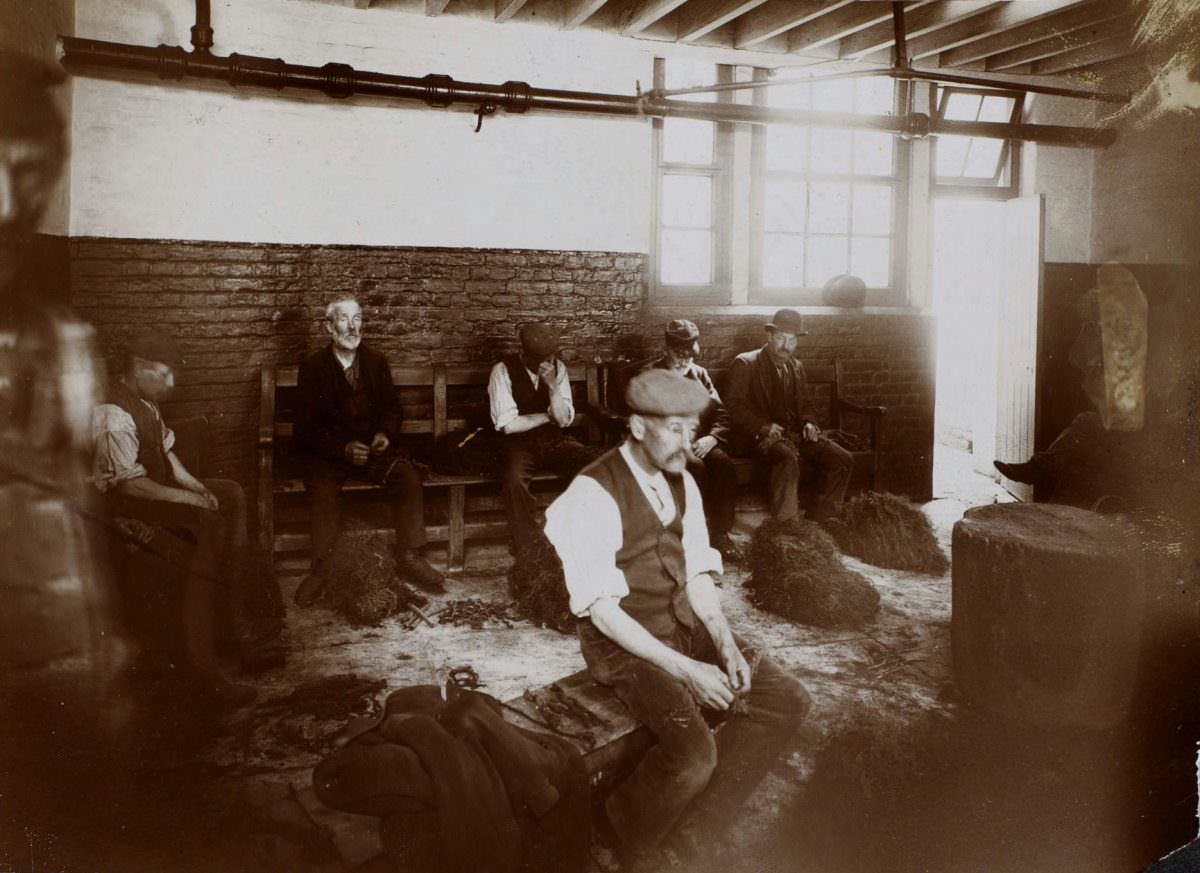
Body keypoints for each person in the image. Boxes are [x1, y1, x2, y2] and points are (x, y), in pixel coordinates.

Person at [544, 369, 811, 868]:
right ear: (638, 427)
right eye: (674, 429)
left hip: (679, 624)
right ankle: (621, 832)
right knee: (693, 754)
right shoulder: (592, 494)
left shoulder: (683, 480)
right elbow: (601, 610)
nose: (685, 442)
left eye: (691, 429)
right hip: (621, 644)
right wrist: (689, 670)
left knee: (783, 697)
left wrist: (725, 642)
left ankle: (694, 828)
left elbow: (697, 573)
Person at [90, 329, 256, 706]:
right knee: (201, 542)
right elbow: (128, 488)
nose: (172, 383)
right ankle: (205, 671)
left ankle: (232, 618)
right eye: (165, 374)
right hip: (125, 515)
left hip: (155, 494)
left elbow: (168, 457)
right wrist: (187, 500)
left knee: (230, 493)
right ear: (141, 369)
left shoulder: (147, 401)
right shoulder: (112, 413)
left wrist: (198, 488)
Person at [292, 296, 445, 605]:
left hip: (373, 453)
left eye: (357, 318)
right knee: (322, 490)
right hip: (331, 455)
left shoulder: (376, 361)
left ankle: (410, 555)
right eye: (344, 319)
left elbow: (392, 409)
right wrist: (342, 448)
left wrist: (384, 434)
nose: (352, 327)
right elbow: (304, 429)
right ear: (329, 326)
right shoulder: (312, 367)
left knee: (407, 475)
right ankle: (321, 570)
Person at [724, 308, 853, 522]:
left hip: (793, 434)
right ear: (769, 336)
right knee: (786, 457)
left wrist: (810, 422)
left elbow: (807, 404)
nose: (786, 346)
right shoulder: (746, 363)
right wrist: (763, 427)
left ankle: (821, 519)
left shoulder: (796, 367)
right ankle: (787, 526)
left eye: (792, 340)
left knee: (842, 459)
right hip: (756, 437)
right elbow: (732, 407)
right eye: (781, 338)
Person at [488, 322, 596, 554]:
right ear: (524, 354)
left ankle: (580, 538)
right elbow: (509, 425)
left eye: (550, 357)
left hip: (553, 440)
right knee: (515, 481)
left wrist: (552, 387)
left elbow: (564, 419)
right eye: (541, 359)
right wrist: (548, 415)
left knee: (591, 466)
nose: (547, 364)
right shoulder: (502, 370)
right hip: (519, 444)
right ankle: (527, 546)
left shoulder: (558, 368)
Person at [643, 319, 741, 562]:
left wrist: (712, 438)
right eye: (679, 355)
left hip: (698, 443)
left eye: (689, 356)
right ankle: (688, 537)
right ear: (667, 349)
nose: (684, 361)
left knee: (723, 465)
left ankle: (719, 533)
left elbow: (720, 413)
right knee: (694, 469)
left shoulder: (700, 375)